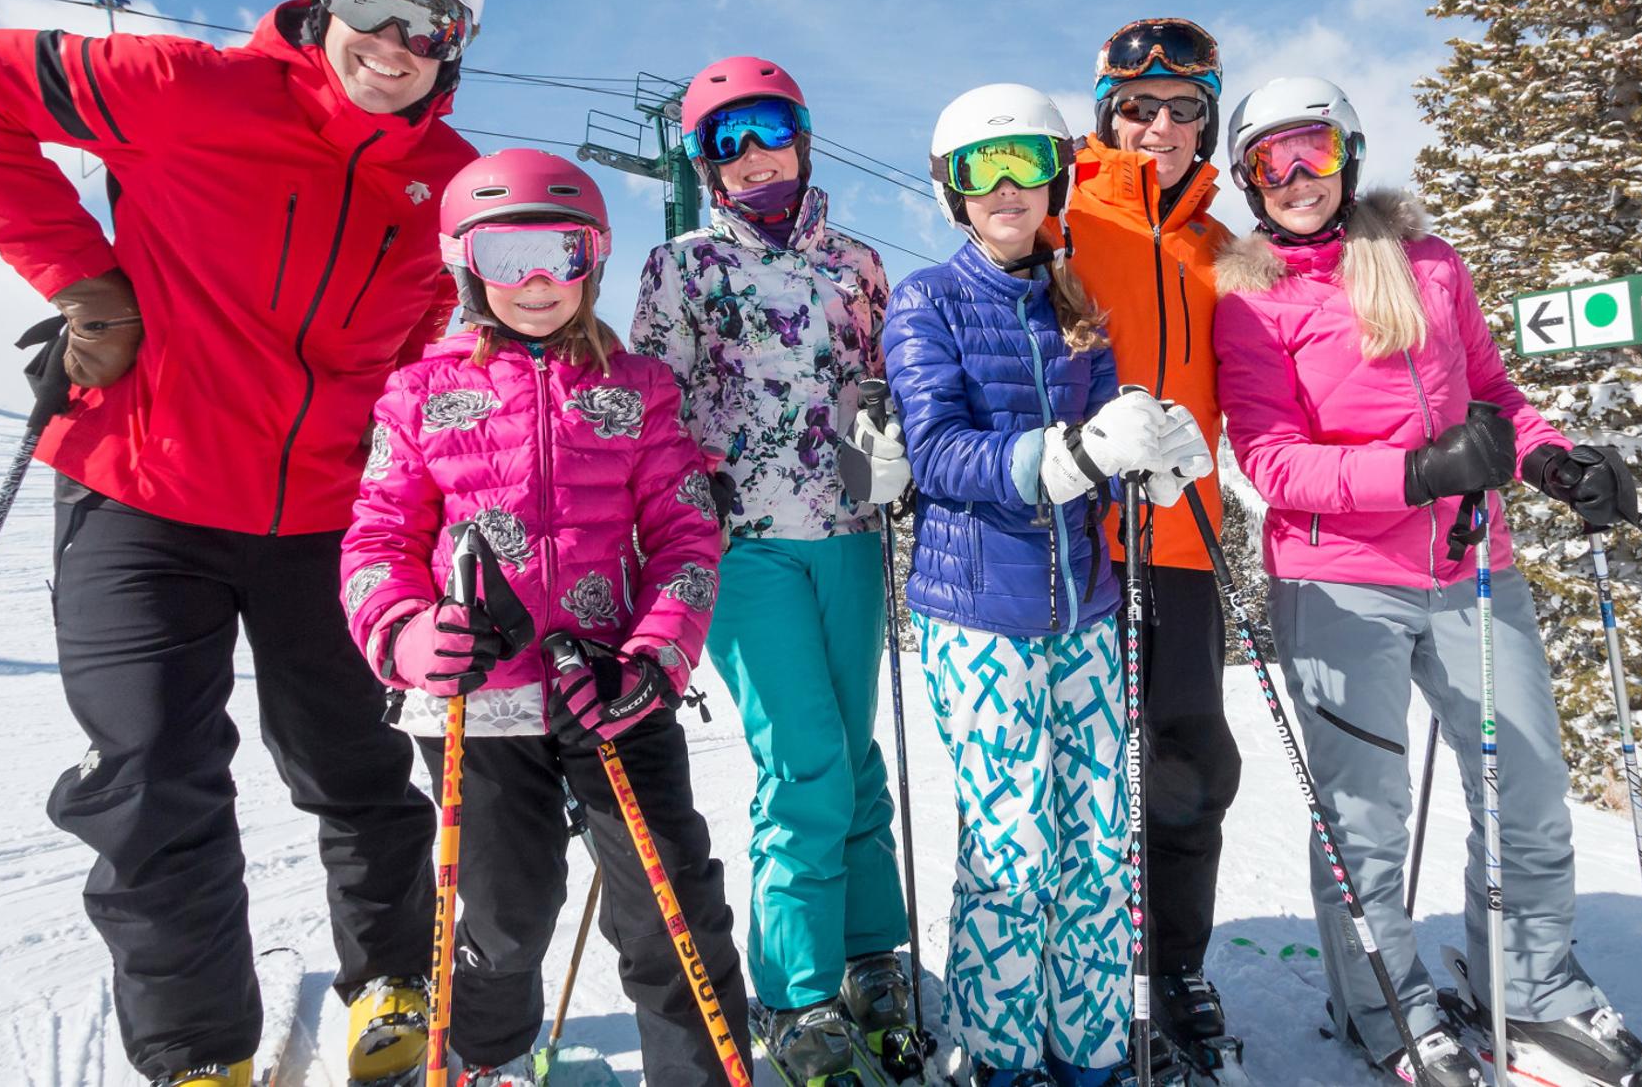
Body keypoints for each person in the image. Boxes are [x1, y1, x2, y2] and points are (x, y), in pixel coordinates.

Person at [0, 0, 485, 1087]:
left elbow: (436, 335)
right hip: (142, 492)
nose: (393, 40)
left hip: (325, 515)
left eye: (430, 24)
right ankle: (200, 1056)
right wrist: (87, 285)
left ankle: (393, 987)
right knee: (152, 772)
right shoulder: (187, 90)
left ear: (455, 47)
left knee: (357, 767)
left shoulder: (450, 182)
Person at [1212, 77, 1642, 1087]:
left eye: (1311, 151)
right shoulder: (1250, 297)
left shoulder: (1430, 264)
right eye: (1269, 162)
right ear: (1247, 179)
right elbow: (1272, 464)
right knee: (1362, 817)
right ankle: (1386, 1010)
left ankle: (1529, 985)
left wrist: (1552, 461)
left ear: (1349, 152)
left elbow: (1494, 398)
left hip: (1469, 565)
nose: (1293, 178)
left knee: (1528, 784)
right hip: (1338, 579)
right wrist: (1413, 472)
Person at [341, 149, 747, 1086]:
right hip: (482, 705)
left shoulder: (639, 388)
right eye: (505, 251)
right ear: (464, 261)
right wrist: (408, 635)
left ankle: (699, 1071)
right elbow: (374, 544)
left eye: (560, 253)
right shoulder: (417, 395)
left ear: (593, 262)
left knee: (666, 900)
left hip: (611, 689)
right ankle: (486, 1057)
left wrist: (649, 663)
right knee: (505, 909)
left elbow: (687, 537)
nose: (534, 281)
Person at [883, 84, 1209, 1087]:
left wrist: (1157, 450)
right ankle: (998, 1052)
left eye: (1027, 161)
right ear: (953, 190)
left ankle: (1092, 1049)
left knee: (1098, 841)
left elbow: (1111, 421)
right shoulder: (927, 299)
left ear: (1056, 176)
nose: (1009, 187)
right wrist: (1065, 455)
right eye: (983, 169)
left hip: (1085, 607)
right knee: (1016, 846)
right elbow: (936, 452)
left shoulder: (1074, 303)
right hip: (978, 612)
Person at [628, 56, 918, 1082]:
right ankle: (795, 994)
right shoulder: (684, 268)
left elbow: (891, 390)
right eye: (722, 140)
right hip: (746, 542)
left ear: (800, 132)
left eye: (763, 129)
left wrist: (895, 449)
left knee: (859, 753)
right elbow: (651, 406)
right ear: (704, 163)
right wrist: (671, 510)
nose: (749, 156)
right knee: (803, 763)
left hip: (848, 531)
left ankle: (870, 951)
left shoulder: (861, 268)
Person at [1045, 17, 1243, 1065]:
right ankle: (1068, 960)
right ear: (1104, 116)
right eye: (1137, 107)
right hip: (1073, 539)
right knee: (1073, 769)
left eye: (1182, 110)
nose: (1158, 125)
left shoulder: (1219, 244)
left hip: (1181, 539)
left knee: (1188, 760)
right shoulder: (1061, 216)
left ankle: (1172, 963)